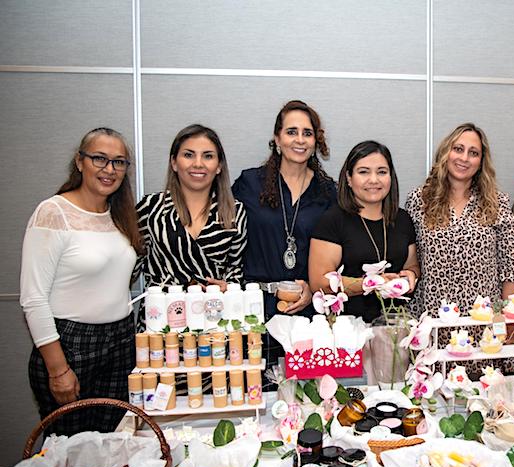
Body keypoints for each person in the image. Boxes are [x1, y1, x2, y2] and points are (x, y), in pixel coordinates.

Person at [20, 127, 143, 435]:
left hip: (120, 341)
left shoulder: (120, 214)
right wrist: (58, 369)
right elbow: (33, 299)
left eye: (118, 162)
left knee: (110, 447)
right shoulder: (54, 212)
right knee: (70, 453)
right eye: (99, 159)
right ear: (79, 161)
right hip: (71, 344)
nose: (109, 169)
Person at [406, 123, 514, 377]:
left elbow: (512, 266)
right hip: (432, 324)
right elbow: (410, 261)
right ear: (445, 153)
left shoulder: (498, 202)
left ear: (481, 162)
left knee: (481, 401)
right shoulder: (419, 200)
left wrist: (511, 324)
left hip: (482, 327)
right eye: (458, 149)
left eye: (474, 153)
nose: (464, 158)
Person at [232, 100, 336, 365]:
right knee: (257, 395)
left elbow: (338, 255)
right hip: (255, 311)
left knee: (305, 398)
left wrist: (313, 289)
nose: (299, 140)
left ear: (315, 141)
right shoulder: (249, 184)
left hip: (308, 315)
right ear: (277, 139)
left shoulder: (328, 192)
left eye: (307, 133)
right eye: (291, 132)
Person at [310, 140, 419, 322]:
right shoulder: (333, 221)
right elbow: (319, 282)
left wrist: (411, 275)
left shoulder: (402, 220)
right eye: (363, 172)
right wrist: (373, 284)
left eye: (382, 172)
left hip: (394, 329)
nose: (374, 180)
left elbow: (412, 265)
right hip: (347, 331)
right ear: (349, 179)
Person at [136, 124, 247, 301]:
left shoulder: (235, 211)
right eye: (188, 155)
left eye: (208, 156)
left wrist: (230, 288)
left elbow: (236, 271)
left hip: (214, 319)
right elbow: (129, 267)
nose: (198, 163)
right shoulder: (150, 208)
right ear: (174, 162)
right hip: (161, 320)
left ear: (219, 166)